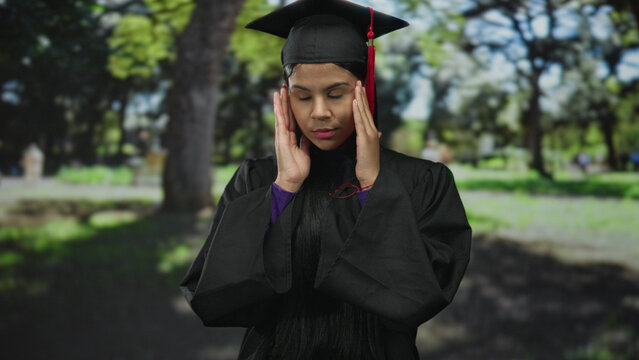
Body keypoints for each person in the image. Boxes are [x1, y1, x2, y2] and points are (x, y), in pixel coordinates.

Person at [179, 1, 472, 359]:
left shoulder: (425, 180)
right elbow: (214, 296)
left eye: (336, 94)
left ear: (364, 89)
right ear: (286, 98)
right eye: (303, 97)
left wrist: (373, 188)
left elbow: (422, 296)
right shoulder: (257, 180)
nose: (320, 112)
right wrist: (283, 189)